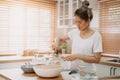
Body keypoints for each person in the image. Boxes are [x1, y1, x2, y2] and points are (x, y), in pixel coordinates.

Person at [55, 1, 103, 74]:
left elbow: (97, 59)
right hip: (73, 72)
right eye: (76, 22)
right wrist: (57, 45)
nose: (77, 24)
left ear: (88, 21)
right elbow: (60, 38)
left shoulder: (96, 36)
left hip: (88, 74)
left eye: (80, 22)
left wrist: (78, 56)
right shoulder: (75, 32)